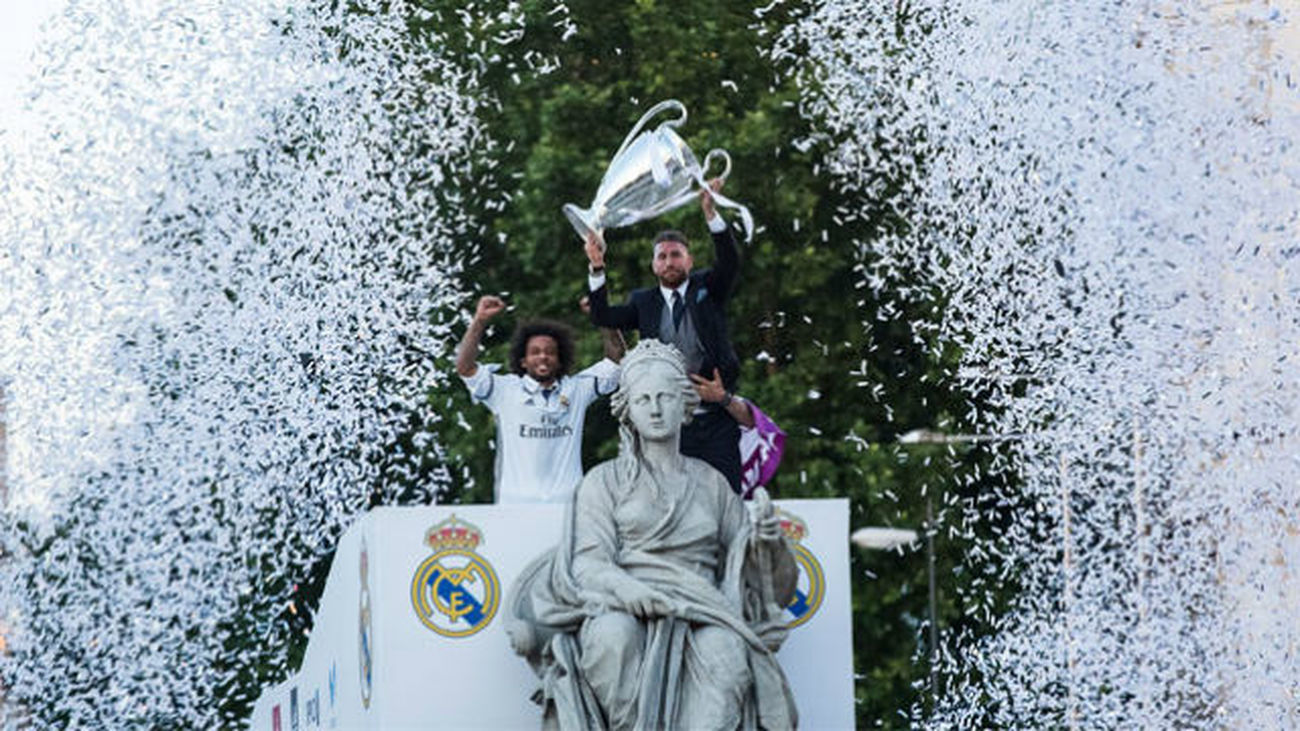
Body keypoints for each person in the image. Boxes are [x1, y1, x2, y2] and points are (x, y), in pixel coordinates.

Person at [506, 340, 798, 730]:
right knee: (613, 637)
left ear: (685, 404)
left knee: (726, 649)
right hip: (626, 602)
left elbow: (749, 569)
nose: (656, 409)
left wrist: (766, 540)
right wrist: (630, 591)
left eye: (665, 397)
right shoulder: (603, 482)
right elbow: (588, 563)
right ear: (628, 411)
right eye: (644, 399)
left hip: (701, 607)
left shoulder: (711, 483)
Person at [584, 178, 747, 492]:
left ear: (689, 260)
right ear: (653, 265)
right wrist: (596, 266)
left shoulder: (707, 288)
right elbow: (601, 315)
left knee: (726, 499)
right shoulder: (643, 302)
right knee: (669, 501)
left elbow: (730, 261)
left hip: (716, 416)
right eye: (662, 256)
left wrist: (710, 212)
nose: (669, 261)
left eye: (676, 255)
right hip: (668, 425)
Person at [455, 295, 622, 504]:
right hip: (516, 504)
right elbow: (465, 367)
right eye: (535, 352)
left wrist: (602, 316)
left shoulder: (577, 389)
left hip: (567, 503)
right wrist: (479, 320)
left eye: (550, 352)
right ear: (523, 361)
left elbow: (616, 361)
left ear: (559, 361)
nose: (543, 356)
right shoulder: (504, 390)